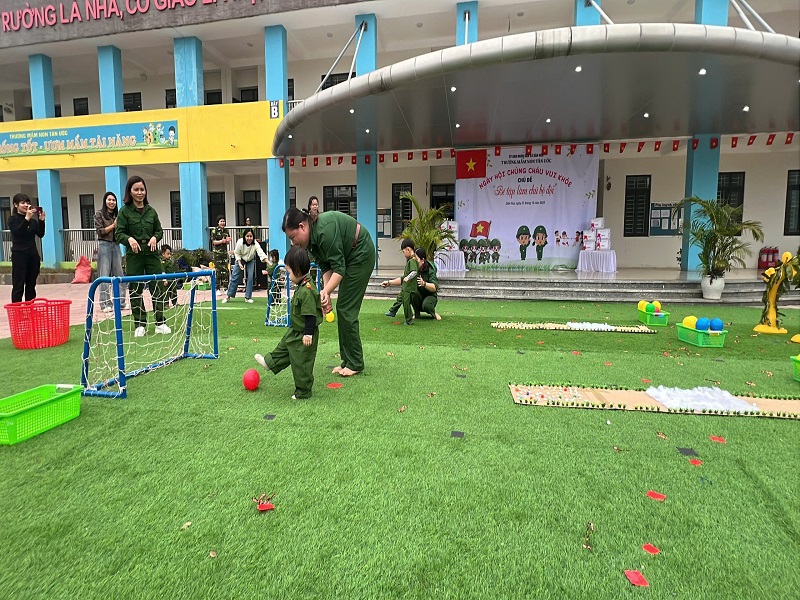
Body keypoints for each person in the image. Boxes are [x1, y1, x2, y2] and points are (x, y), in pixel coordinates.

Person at [282, 207, 375, 377]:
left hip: (360, 253)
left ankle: (355, 362)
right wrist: (327, 293)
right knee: (343, 308)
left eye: (292, 237)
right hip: (348, 257)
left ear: (302, 226)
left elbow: (339, 269)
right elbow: (326, 266)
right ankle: (347, 361)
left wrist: (325, 291)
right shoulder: (310, 242)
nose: (293, 243)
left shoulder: (324, 231)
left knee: (346, 308)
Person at [254, 245, 323, 399]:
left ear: (298, 271)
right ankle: (270, 362)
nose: (288, 276)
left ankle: (303, 391)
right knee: (284, 346)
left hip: (304, 333)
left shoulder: (307, 290)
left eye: (289, 272)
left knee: (301, 362)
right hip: (295, 330)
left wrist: (308, 334)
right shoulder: (301, 285)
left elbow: (310, 315)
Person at [116, 175, 170, 337]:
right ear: (130, 191)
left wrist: (155, 237)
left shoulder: (151, 211)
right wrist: (129, 239)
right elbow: (119, 234)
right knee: (135, 288)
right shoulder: (124, 212)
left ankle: (160, 323)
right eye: (136, 190)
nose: (140, 193)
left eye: (142, 189)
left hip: (151, 253)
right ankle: (140, 324)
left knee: (157, 287)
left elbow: (159, 231)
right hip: (134, 254)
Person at [94, 191, 128, 312]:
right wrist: (113, 226)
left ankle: (121, 302)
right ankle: (105, 304)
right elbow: (100, 231)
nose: (111, 202)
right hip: (104, 245)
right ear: (105, 201)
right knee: (104, 275)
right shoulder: (99, 214)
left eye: (113, 200)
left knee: (119, 274)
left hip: (116, 245)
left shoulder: (118, 215)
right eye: (109, 200)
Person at [8, 193, 45, 303]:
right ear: (16, 205)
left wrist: (41, 221)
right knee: (18, 285)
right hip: (19, 255)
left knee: (31, 285)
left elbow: (40, 234)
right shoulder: (12, 219)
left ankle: (30, 308)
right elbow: (18, 232)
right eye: (22, 203)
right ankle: (16, 310)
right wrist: (27, 218)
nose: (26, 205)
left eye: (27, 203)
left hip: (32, 255)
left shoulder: (33, 222)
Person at [222, 228, 270, 303]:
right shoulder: (240, 242)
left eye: (251, 236)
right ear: (244, 236)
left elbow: (261, 253)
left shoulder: (255, 243)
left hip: (250, 260)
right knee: (235, 276)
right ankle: (228, 296)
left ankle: (248, 297)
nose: (249, 238)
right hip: (240, 259)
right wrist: (239, 263)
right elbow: (237, 253)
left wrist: (269, 263)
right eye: (247, 236)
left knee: (250, 277)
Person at [380, 239, 418, 325]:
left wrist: (408, 278)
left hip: (409, 288)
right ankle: (393, 311)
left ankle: (409, 320)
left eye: (404, 252)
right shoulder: (410, 260)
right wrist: (389, 282)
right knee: (399, 299)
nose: (404, 254)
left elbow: (414, 272)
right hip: (405, 287)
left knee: (406, 303)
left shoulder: (413, 260)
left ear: (408, 249)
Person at [411, 247, 441, 320]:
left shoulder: (430, 270)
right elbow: (403, 279)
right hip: (419, 295)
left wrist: (424, 284)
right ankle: (417, 313)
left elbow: (434, 287)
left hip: (430, 296)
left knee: (426, 305)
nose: (415, 262)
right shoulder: (414, 269)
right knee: (412, 292)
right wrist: (390, 282)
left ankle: (433, 313)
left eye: (416, 259)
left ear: (422, 260)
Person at [211, 215, 231, 293]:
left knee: (225, 270)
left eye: (223, 221)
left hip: (224, 253)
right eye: (221, 221)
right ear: (218, 222)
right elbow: (214, 242)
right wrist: (221, 241)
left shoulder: (226, 231)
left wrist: (228, 241)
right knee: (218, 271)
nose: (222, 223)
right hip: (217, 254)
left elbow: (227, 242)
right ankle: (217, 288)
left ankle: (226, 288)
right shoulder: (215, 230)